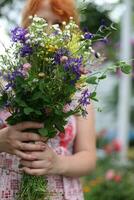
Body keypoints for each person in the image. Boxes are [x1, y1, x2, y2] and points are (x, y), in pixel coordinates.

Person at [0, 0, 96, 199]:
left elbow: (89, 157)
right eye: (42, 22)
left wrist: (58, 163)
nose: (50, 31)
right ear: (27, 27)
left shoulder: (78, 88)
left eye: (59, 25)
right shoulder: (4, 81)